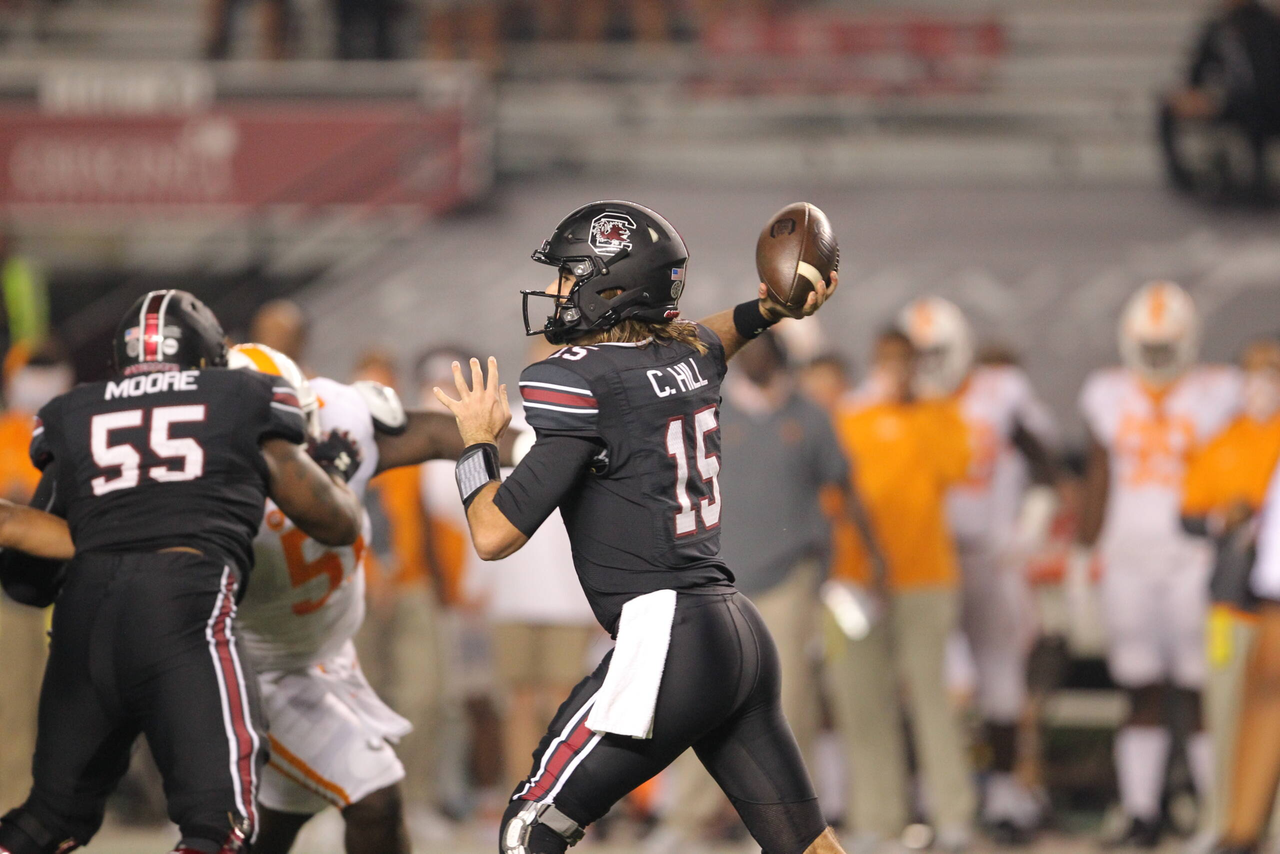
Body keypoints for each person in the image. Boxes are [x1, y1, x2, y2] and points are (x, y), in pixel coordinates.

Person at [432, 199, 845, 854]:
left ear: (611, 287)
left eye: (568, 276)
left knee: (527, 828)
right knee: (805, 844)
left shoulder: (578, 382)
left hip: (666, 639)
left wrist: (476, 447)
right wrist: (767, 309)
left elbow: (493, 534)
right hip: (734, 630)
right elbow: (714, 337)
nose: (553, 291)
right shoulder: (690, 359)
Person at [0, 290, 364, 854]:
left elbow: (27, 580)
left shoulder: (75, 411)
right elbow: (334, 523)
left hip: (84, 619)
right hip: (183, 609)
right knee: (221, 827)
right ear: (205, 357)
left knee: (49, 820)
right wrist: (334, 470)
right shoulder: (242, 393)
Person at [228, 341, 489, 854]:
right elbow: (336, 523)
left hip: (324, 650)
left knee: (278, 823)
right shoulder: (205, 479)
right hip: (257, 666)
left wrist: (542, 450)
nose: (292, 443)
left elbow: (434, 433)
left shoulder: (336, 416)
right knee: (374, 796)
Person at [650, 329, 883, 851]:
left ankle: (787, 826)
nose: (754, 358)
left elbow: (844, 488)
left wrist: (873, 557)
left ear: (780, 356)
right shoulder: (710, 411)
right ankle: (687, 818)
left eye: (763, 349)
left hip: (788, 577)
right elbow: (677, 491)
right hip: (717, 576)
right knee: (700, 698)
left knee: (787, 702)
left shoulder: (809, 415)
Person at [1074, 281, 1242, 848]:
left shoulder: (1222, 391)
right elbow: (1099, 476)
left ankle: (1216, 811)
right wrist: (1083, 551)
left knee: (1200, 688)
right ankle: (1143, 810)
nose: (1156, 356)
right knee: (1139, 684)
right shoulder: (1106, 392)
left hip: (1194, 557)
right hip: (1128, 557)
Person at [899, 297, 1059, 843]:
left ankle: (1008, 793)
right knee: (936, 680)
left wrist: (1031, 524)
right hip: (928, 560)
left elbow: (1044, 461)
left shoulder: (1001, 392)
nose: (929, 363)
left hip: (991, 553)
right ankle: (938, 796)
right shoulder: (903, 396)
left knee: (1001, 679)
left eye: (937, 351)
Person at [825, 328, 976, 853]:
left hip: (925, 579)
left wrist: (920, 406)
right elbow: (830, 494)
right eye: (886, 361)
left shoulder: (939, 415)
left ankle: (952, 816)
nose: (895, 371)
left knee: (933, 699)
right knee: (860, 699)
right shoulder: (850, 418)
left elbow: (955, 468)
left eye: (903, 361)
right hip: (852, 581)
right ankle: (876, 817)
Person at [1179, 337, 1280, 851]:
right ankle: (1224, 823)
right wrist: (1225, 518)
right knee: (1227, 713)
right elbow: (1188, 514)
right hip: (1232, 601)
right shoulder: (1223, 441)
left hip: (1269, 598)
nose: (1262, 384)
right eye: (1255, 371)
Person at [1159, 0, 1280, 202]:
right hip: (1234, 103)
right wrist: (1194, 94)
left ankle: (1257, 181)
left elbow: (1267, 80)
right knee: (1170, 106)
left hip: (1266, 104)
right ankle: (1185, 178)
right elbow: (1198, 69)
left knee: (1252, 112)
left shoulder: (1266, 22)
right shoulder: (1218, 26)